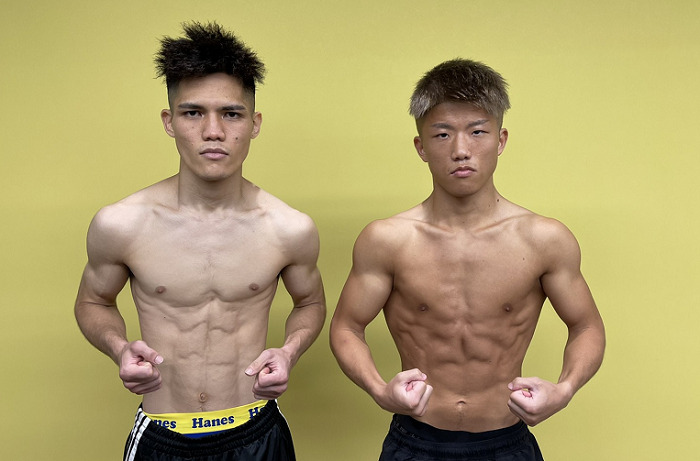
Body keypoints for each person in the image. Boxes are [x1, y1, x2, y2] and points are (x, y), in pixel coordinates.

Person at [329, 59, 605, 460]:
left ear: (501, 140)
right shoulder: (386, 240)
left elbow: (587, 326)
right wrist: (378, 389)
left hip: (506, 443)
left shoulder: (544, 239)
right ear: (421, 147)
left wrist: (564, 389)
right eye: (443, 134)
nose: (461, 151)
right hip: (415, 442)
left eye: (477, 132)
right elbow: (346, 327)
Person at [74, 22, 326, 461]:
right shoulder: (122, 223)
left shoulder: (289, 228)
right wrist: (119, 348)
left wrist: (289, 352)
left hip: (255, 429)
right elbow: (93, 302)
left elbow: (311, 303)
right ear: (169, 122)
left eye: (231, 114)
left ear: (255, 123)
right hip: (163, 433)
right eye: (193, 113)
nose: (213, 131)